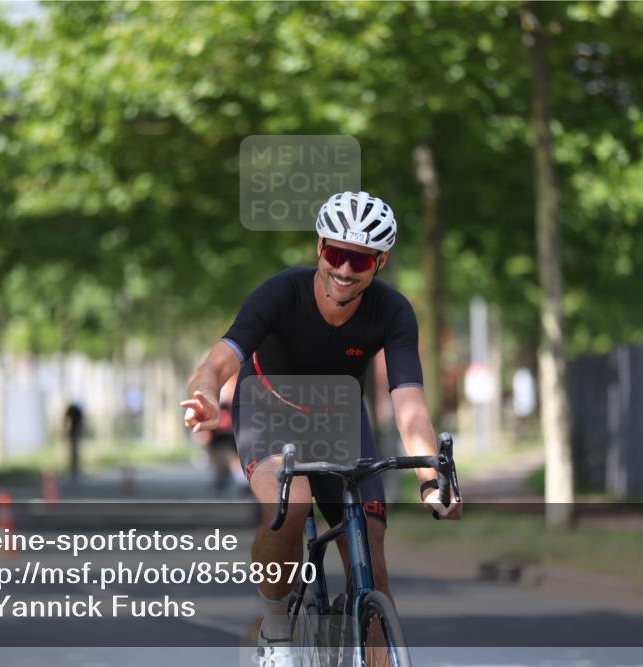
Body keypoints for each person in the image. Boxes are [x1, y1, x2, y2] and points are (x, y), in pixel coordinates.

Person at [181, 191, 463, 666]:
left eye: (359, 260)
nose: (345, 270)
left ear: (380, 261)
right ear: (319, 247)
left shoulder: (393, 312)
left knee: (371, 552)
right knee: (290, 506)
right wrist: (207, 393)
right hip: (269, 404)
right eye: (336, 253)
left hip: (338, 415)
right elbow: (219, 360)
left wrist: (431, 481)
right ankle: (275, 627)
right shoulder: (281, 292)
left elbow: (409, 404)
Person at [63, 401, 84, 479]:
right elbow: (65, 420)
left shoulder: (76, 411)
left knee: (74, 451)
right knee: (74, 451)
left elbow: (65, 421)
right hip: (73, 432)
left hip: (74, 432)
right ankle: (73, 468)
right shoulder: (75, 411)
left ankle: (74, 468)